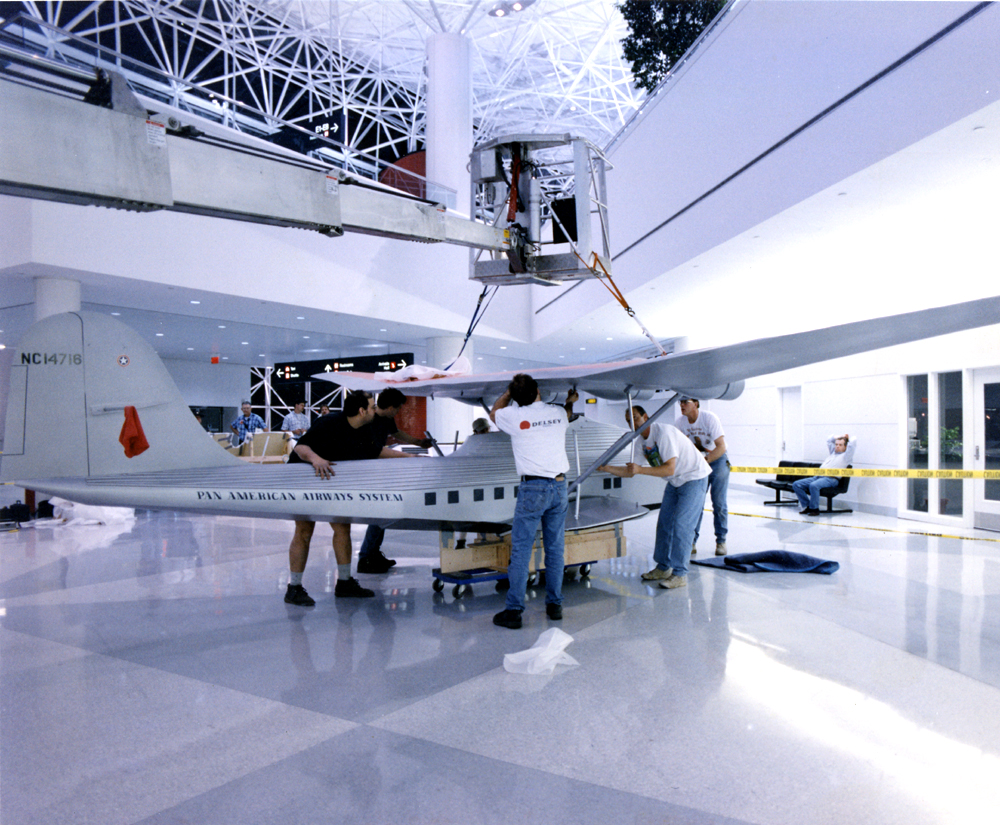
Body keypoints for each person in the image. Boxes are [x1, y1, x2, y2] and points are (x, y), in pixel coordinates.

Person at [282, 391, 408, 606]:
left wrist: (410, 458)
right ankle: (294, 588)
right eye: (372, 407)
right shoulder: (328, 422)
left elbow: (375, 451)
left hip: (329, 478)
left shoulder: (365, 428)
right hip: (304, 476)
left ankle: (344, 582)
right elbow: (300, 447)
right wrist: (316, 459)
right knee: (304, 530)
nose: (375, 410)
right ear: (362, 411)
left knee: (342, 527)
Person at [490, 375, 577, 629]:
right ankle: (555, 605)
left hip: (532, 488)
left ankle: (514, 611)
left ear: (515, 396)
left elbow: (494, 413)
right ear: (538, 390)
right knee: (555, 548)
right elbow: (568, 414)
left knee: (521, 550)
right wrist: (570, 400)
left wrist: (508, 393)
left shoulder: (513, 416)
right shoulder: (558, 412)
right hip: (559, 486)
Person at [600, 405, 710, 591]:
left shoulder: (663, 433)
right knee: (664, 523)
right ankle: (663, 568)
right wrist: (605, 468)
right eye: (628, 421)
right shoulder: (640, 441)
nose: (632, 424)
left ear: (646, 416)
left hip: (694, 478)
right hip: (675, 481)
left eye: (635, 418)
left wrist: (640, 469)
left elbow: (669, 468)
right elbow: (630, 471)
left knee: (682, 526)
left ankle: (680, 574)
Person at [356, 388, 431, 574]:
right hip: (368, 471)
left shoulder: (386, 419)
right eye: (397, 409)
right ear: (390, 407)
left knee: (383, 513)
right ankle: (366, 557)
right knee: (379, 514)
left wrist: (418, 442)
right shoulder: (370, 420)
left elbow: (396, 433)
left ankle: (372, 553)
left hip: (378, 470)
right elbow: (376, 450)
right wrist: (409, 457)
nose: (398, 412)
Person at [676, 397, 729, 556]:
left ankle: (721, 541)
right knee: (695, 503)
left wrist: (706, 460)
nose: (682, 405)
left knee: (719, 503)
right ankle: (691, 541)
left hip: (717, 460)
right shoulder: (679, 423)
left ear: (696, 404)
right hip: (698, 462)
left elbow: (721, 447)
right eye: (680, 402)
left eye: (685, 402)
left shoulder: (709, 418)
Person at [792, 433, 857, 515]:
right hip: (818, 477)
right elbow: (829, 440)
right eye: (836, 444)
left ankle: (814, 509)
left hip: (831, 479)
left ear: (846, 446)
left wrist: (846, 438)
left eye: (840, 445)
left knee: (813, 485)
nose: (837, 446)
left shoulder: (846, 456)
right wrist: (839, 436)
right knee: (796, 484)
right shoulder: (833, 453)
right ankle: (807, 506)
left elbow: (853, 441)